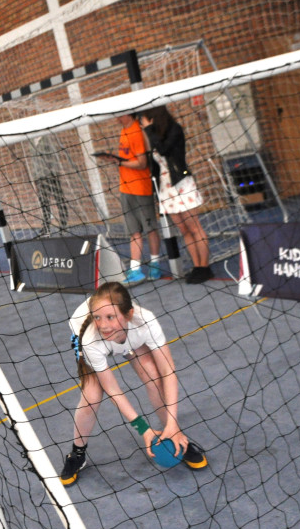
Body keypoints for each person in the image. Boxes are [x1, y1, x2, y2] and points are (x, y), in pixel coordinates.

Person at [60, 281, 207, 486]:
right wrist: (143, 429)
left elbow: (168, 371)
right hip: (96, 343)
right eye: (98, 317)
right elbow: (113, 390)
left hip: (128, 339)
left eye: (110, 317)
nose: (103, 324)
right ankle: (77, 453)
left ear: (128, 315)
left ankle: (173, 435)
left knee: (154, 377)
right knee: (91, 397)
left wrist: (173, 423)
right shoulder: (91, 337)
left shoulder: (145, 321)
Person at [140, 105, 213, 283]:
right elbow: (155, 162)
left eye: (145, 120)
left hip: (181, 184)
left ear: (154, 117)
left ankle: (205, 266)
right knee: (183, 229)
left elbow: (164, 150)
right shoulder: (154, 135)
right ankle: (197, 266)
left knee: (194, 227)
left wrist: (149, 130)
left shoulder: (174, 130)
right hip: (166, 188)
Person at [98, 114, 162, 284]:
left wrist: (120, 162)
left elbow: (142, 163)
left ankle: (155, 265)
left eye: (119, 113)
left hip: (141, 188)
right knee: (133, 230)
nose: (116, 117)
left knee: (150, 228)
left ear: (127, 114)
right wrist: (115, 160)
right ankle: (135, 269)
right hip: (125, 188)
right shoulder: (123, 132)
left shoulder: (137, 132)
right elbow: (128, 160)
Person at [28, 133, 69, 236]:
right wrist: (35, 177)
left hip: (51, 175)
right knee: (44, 203)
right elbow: (34, 161)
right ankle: (46, 227)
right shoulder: (31, 141)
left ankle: (63, 226)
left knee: (59, 200)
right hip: (40, 177)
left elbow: (54, 157)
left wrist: (55, 173)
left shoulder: (47, 139)